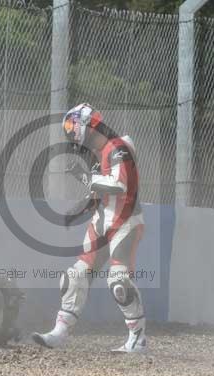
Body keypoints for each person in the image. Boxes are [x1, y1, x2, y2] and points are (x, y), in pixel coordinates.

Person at [32, 103, 146, 353]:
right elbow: (100, 191)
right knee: (74, 277)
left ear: (88, 123)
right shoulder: (99, 153)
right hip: (101, 221)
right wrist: (80, 209)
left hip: (125, 222)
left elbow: (119, 185)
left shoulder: (118, 147)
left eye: (73, 125)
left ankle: (137, 338)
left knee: (118, 282)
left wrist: (85, 178)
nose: (71, 132)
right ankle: (59, 332)